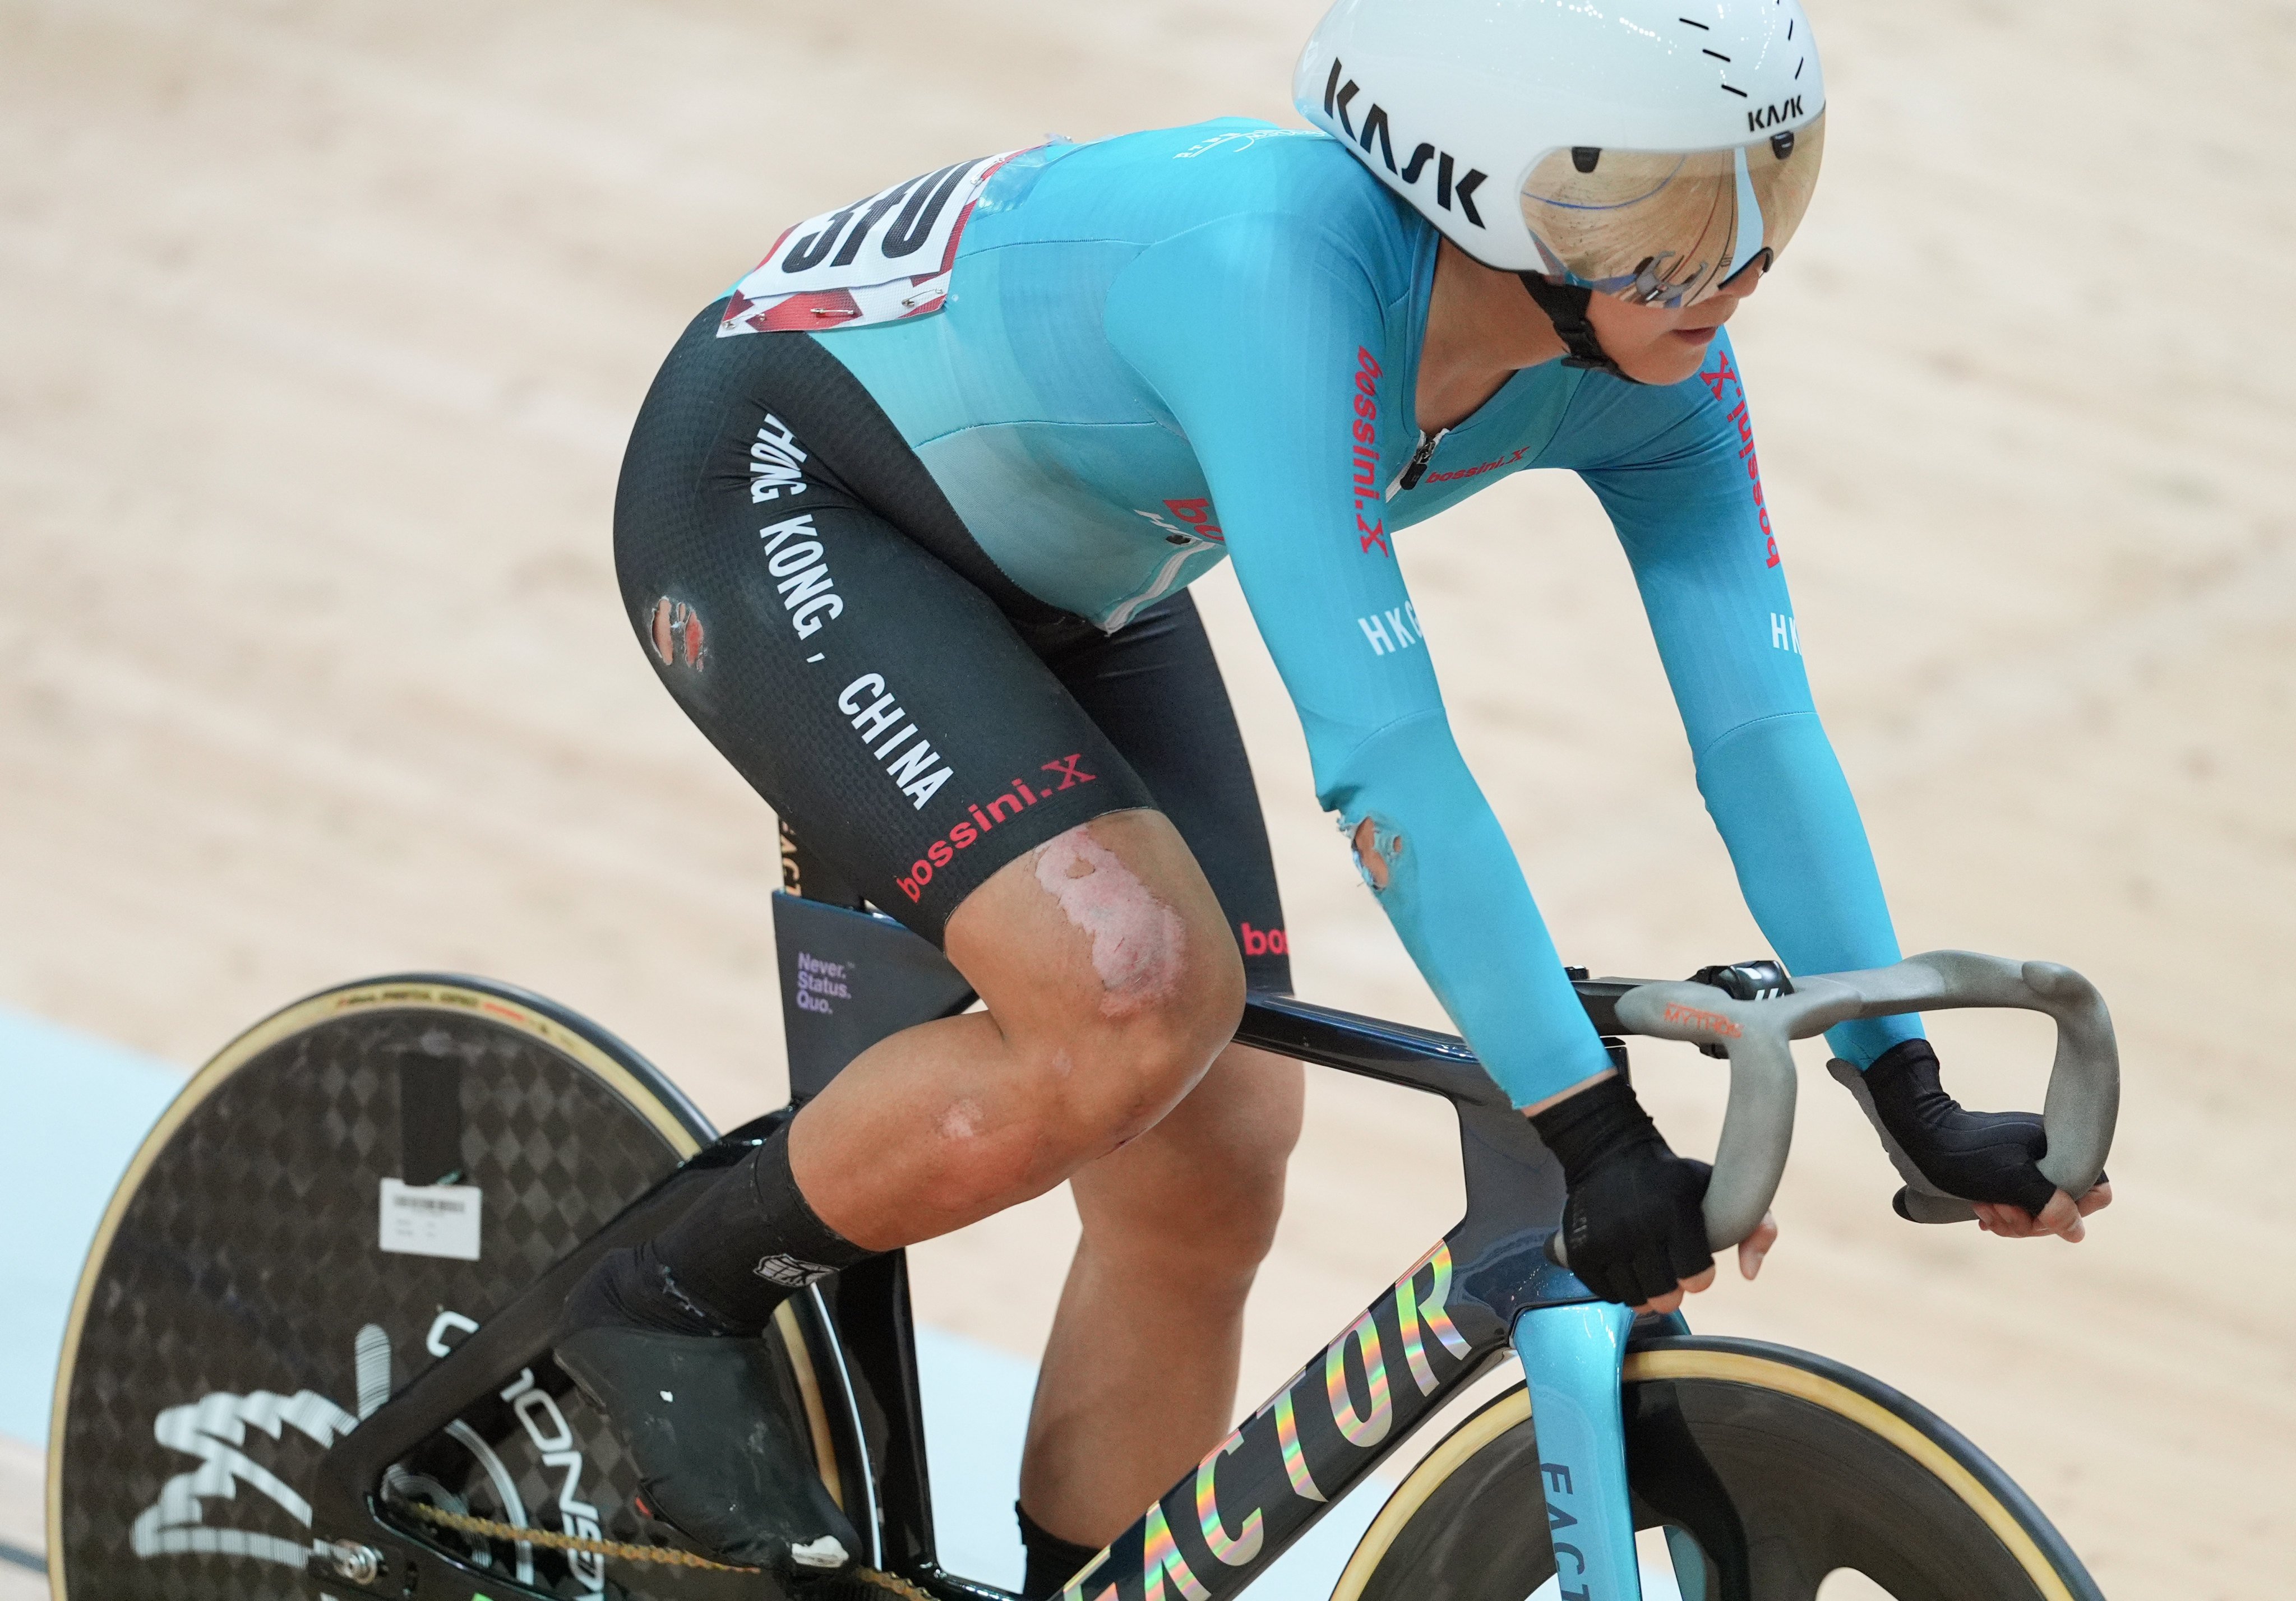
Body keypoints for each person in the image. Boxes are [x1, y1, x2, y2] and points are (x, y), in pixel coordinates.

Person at [552, 0, 2110, 1587]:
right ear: (1482, 184)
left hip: (1083, 561)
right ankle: (661, 1299)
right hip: (784, 484)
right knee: (1129, 1000)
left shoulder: (1659, 376)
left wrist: (1901, 1079)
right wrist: (1582, 1118)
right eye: (1671, 211)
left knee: (1216, 1158)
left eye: (1772, 190)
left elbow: (1761, 738)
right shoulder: (1275, 280)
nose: (1742, 263)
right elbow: (1385, 754)